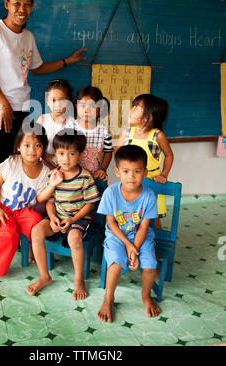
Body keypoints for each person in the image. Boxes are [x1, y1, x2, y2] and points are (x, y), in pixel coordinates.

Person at [0, 0, 86, 202]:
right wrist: (4, 105)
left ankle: (14, 215)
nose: (21, 9)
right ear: (7, 4)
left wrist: (67, 61)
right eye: (16, 4)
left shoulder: (28, 37)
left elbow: (37, 68)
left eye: (27, 5)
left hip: (22, 109)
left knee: (19, 163)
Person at [0, 120, 63, 288]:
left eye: (37, 145)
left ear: (43, 148)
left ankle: (30, 245)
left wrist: (52, 184)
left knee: (36, 220)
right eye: (27, 145)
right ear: (18, 147)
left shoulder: (45, 172)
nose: (32, 150)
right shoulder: (12, 163)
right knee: (8, 235)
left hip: (19, 212)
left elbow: (40, 198)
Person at [27, 129, 100, 300]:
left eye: (71, 154)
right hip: (58, 217)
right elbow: (50, 201)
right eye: (61, 153)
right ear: (55, 154)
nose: (66, 159)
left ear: (80, 155)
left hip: (79, 220)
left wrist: (72, 219)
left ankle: (78, 279)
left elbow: (90, 204)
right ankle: (44, 276)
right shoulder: (54, 175)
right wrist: (52, 218)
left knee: (74, 238)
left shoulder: (85, 177)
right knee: (36, 231)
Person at [97, 145, 160, 322]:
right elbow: (111, 223)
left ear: (145, 172)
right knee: (116, 264)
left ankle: (146, 295)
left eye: (137, 171)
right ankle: (108, 298)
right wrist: (128, 245)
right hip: (117, 236)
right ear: (117, 172)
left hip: (141, 236)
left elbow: (144, 227)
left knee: (150, 265)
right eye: (126, 171)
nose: (131, 177)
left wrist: (135, 248)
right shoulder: (110, 193)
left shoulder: (148, 195)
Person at [115, 93, 174, 229]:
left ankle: (155, 246)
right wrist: (122, 171)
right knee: (130, 216)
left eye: (137, 108)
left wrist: (164, 174)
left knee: (153, 219)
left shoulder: (158, 135)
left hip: (152, 182)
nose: (131, 110)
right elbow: (118, 152)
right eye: (133, 106)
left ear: (149, 117)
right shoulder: (126, 133)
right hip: (130, 181)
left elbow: (169, 155)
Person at [67, 85, 113, 195]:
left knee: (99, 201)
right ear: (76, 106)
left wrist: (102, 169)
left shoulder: (104, 130)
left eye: (92, 106)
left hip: (96, 176)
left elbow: (108, 152)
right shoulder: (70, 128)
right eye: (82, 106)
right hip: (75, 176)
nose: (87, 110)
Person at [37, 78, 73, 168]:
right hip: (43, 164)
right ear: (47, 102)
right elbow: (36, 142)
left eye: (62, 100)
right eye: (53, 100)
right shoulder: (42, 120)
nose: (57, 104)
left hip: (66, 165)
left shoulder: (73, 122)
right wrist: (45, 156)